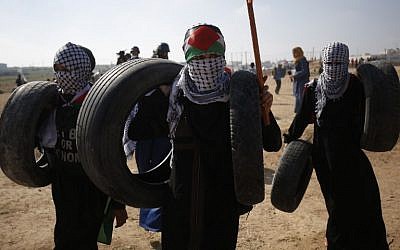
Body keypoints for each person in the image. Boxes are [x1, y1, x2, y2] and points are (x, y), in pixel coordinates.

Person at [162, 24, 282, 249]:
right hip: (181, 201)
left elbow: (273, 143)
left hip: (222, 202)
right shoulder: (175, 96)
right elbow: (140, 132)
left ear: (222, 56)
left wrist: (263, 109)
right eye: (199, 57)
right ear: (188, 58)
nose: (206, 63)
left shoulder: (239, 94)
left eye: (213, 56)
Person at [283, 42, 389, 250]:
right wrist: (289, 138)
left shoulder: (356, 85)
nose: (333, 66)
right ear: (323, 62)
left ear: (346, 61)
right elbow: (303, 116)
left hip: (352, 155)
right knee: (337, 204)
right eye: (328, 62)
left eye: (338, 62)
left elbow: (373, 113)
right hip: (325, 157)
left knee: (367, 199)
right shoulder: (314, 88)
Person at [39, 42, 128, 249]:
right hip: (63, 182)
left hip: (92, 184)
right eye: (58, 70)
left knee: (86, 237)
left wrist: (117, 202)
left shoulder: (99, 103)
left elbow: (111, 155)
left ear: (82, 70)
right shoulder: (54, 101)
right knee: (64, 233)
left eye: (67, 70)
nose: (62, 75)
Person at [290, 47, 310, 113]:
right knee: (298, 97)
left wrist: (295, 75)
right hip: (298, 82)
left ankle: (302, 112)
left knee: (301, 97)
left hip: (302, 82)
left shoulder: (303, 60)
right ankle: (299, 112)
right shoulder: (299, 60)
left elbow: (305, 71)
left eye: (295, 52)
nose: (294, 54)